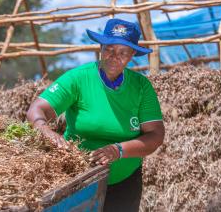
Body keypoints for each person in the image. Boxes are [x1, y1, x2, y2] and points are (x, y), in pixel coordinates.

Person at [27, 18, 165, 212]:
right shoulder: (79, 78)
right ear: (101, 47)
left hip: (124, 183)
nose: (114, 56)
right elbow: (37, 109)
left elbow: (155, 135)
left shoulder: (141, 87)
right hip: (76, 179)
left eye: (123, 52)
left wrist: (118, 150)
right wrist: (44, 129)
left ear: (133, 54)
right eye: (109, 48)